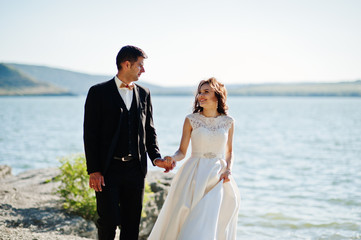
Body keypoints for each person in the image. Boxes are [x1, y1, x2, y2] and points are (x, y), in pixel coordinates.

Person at [83, 45, 173, 240]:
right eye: (140, 65)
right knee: (108, 222)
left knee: (131, 225)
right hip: (108, 170)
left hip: (135, 170)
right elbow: (90, 135)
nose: (143, 70)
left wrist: (156, 158)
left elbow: (149, 130)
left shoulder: (144, 93)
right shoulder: (98, 92)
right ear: (126, 64)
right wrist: (94, 170)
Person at [148, 77, 241, 240]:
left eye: (206, 92)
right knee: (189, 220)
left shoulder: (229, 122)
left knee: (212, 222)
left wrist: (228, 169)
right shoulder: (191, 119)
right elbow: (182, 151)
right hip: (194, 175)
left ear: (218, 96)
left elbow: (229, 152)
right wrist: (173, 158)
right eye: (199, 92)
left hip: (218, 177)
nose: (201, 95)